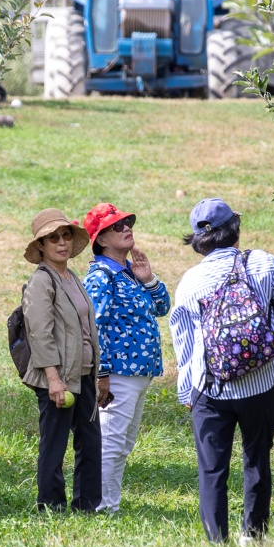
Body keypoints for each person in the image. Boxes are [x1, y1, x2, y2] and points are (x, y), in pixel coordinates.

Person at [169, 198, 274, 544]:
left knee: (211, 469)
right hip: (262, 382)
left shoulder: (189, 281)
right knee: (257, 458)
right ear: (235, 228)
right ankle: (253, 536)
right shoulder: (261, 262)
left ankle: (217, 544)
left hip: (210, 388)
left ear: (198, 240)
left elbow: (183, 340)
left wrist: (187, 390)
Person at [81, 202, 170, 514]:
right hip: (117, 374)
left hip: (137, 375)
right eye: (117, 226)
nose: (127, 227)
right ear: (102, 239)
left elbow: (162, 307)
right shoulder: (101, 276)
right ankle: (102, 506)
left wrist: (148, 278)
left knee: (122, 443)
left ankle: (110, 504)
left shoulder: (129, 274)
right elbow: (93, 328)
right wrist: (102, 374)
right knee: (111, 441)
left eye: (128, 222)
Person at [20, 208, 106, 513]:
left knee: (91, 443)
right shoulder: (41, 281)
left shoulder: (72, 278)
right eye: (53, 238)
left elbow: (85, 329)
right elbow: (40, 334)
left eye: (66, 235)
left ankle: (87, 505)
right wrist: (53, 379)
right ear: (41, 246)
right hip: (57, 378)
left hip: (83, 374)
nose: (61, 243)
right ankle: (51, 506)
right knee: (54, 444)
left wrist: (98, 374)